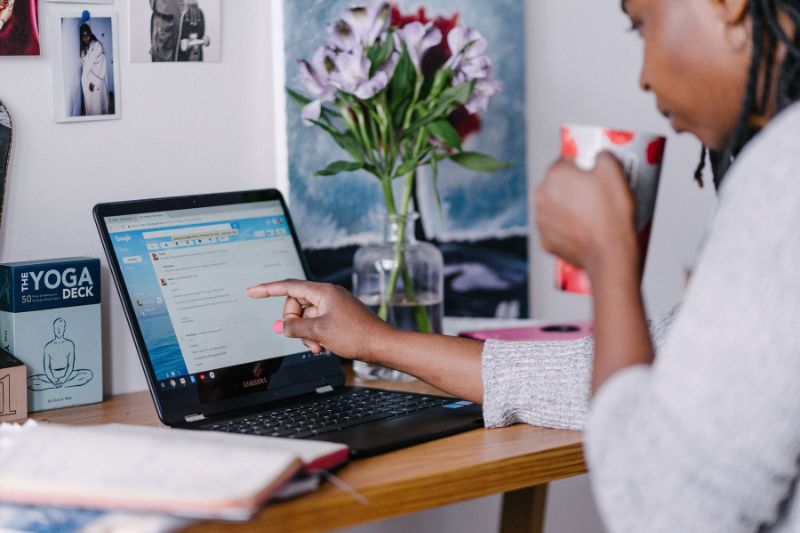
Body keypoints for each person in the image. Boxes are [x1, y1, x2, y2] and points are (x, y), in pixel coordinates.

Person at [247, 0, 800, 530]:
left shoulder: (781, 177)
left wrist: (609, 258)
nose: (644, 78)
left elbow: (663, 508)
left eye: (641, 25)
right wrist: (374, 340)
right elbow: (665, 368)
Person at [79, 23, 109, 116]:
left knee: (97, 104)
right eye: (83, 36)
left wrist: (93, 82)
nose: (86, 37)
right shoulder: (83, 50)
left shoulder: (97, 45)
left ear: (90, 33)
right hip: (86, 82)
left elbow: (101, 61)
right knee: (91, 105)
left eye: (87, 34)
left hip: (95, 81)